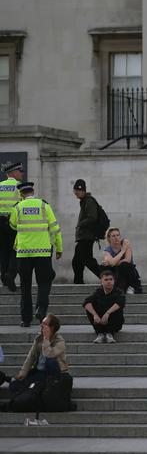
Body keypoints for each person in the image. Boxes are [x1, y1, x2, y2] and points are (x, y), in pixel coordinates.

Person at [10, 182, 63, 327]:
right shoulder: (44, 206)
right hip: (43, 253)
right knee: (44, 283)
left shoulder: (18, 207)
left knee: (25, 286)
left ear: (21, 194)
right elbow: (55, 229)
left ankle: (26, 319)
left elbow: (12, 225)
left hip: (23, 254)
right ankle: (41, 309)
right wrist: (59, 248)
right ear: (34, 191)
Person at [10, 314, 69, 394]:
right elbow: (31, 356)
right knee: (14, 385)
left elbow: (48, 355)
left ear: (51, 327)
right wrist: (23, 373)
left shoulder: (60, 342)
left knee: (34, 387)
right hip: (39, 372)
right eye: (42, 322)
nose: (41, 325)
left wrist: (46, 338)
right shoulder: (39, 338)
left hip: (51, 374)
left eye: (44, 323)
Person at [83, 269, 126, 344]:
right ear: (101, 281)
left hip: (115, 323)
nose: (109, 281)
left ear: (114, 281)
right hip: (100, 322)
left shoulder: (119, 292)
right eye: (106, 280)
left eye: (111, 279)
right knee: (90, 308)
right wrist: (95, 315)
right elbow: (86, 303)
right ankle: (100, 334)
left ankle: (110, 334)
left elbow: (121, 302)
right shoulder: (98, 292)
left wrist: (107, 313)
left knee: (117, 308)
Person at [71, 179, 101, 284]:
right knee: (77, 261)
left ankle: (107, 277)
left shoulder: (89, 201)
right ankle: (78, 282)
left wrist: (80, 224)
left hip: (87, 237)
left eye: (76, 191)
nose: (75, 193)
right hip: (84, 236)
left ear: (81, 190)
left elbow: (92, 217)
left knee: (88, 261)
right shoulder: (84, 201)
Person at [0, 161, 23, 292]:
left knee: (3, 251)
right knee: (14, 250)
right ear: (13, 172)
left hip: (0, 223)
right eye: (20, 171)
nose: (21, 174)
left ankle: (4, 279)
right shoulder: (20, 187)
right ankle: (10, 275)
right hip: (13, 223)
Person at [101, 227, 142, 294]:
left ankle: (133, 287)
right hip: (117, 273)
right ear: (109, 238)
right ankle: (108, 288)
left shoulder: (125, 243)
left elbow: (127, 260)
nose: (116, 237)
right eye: (113, 236)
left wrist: (113, 262)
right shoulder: (107, 251)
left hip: (129, 271)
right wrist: (122, 251)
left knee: (124, 265)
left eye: (117, 235)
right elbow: (111, 264)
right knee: (103, 267)